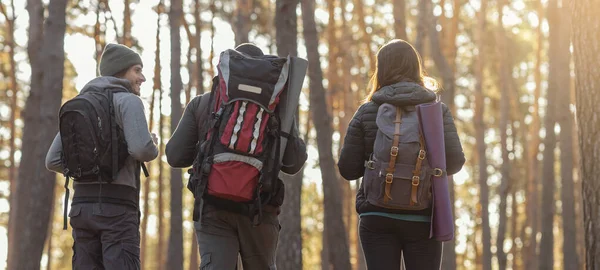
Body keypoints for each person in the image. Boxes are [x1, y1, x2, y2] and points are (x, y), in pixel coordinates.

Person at [166, 43, 307, 269]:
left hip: (213, 207)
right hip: (260, 209)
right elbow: (293, 163)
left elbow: (174, 156)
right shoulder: (276, 110)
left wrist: (208, 152)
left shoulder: (203, 103)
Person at [337, 39, 465, 269]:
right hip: (423, 217)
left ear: (381, 70)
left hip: (377, 216)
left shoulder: (368, 110)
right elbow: (455, 162)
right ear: (416, 67)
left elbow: (348, 169)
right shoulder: (436, 111)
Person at [45, 43, 158, 269]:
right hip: (117, 208)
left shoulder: (80, 103)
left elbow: (53, 160)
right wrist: (153, 144)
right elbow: (141, 150)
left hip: (81, 208)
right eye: (137, 70)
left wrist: (85, 171)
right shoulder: (128, 101)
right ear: (121, 70)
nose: (142, 77)